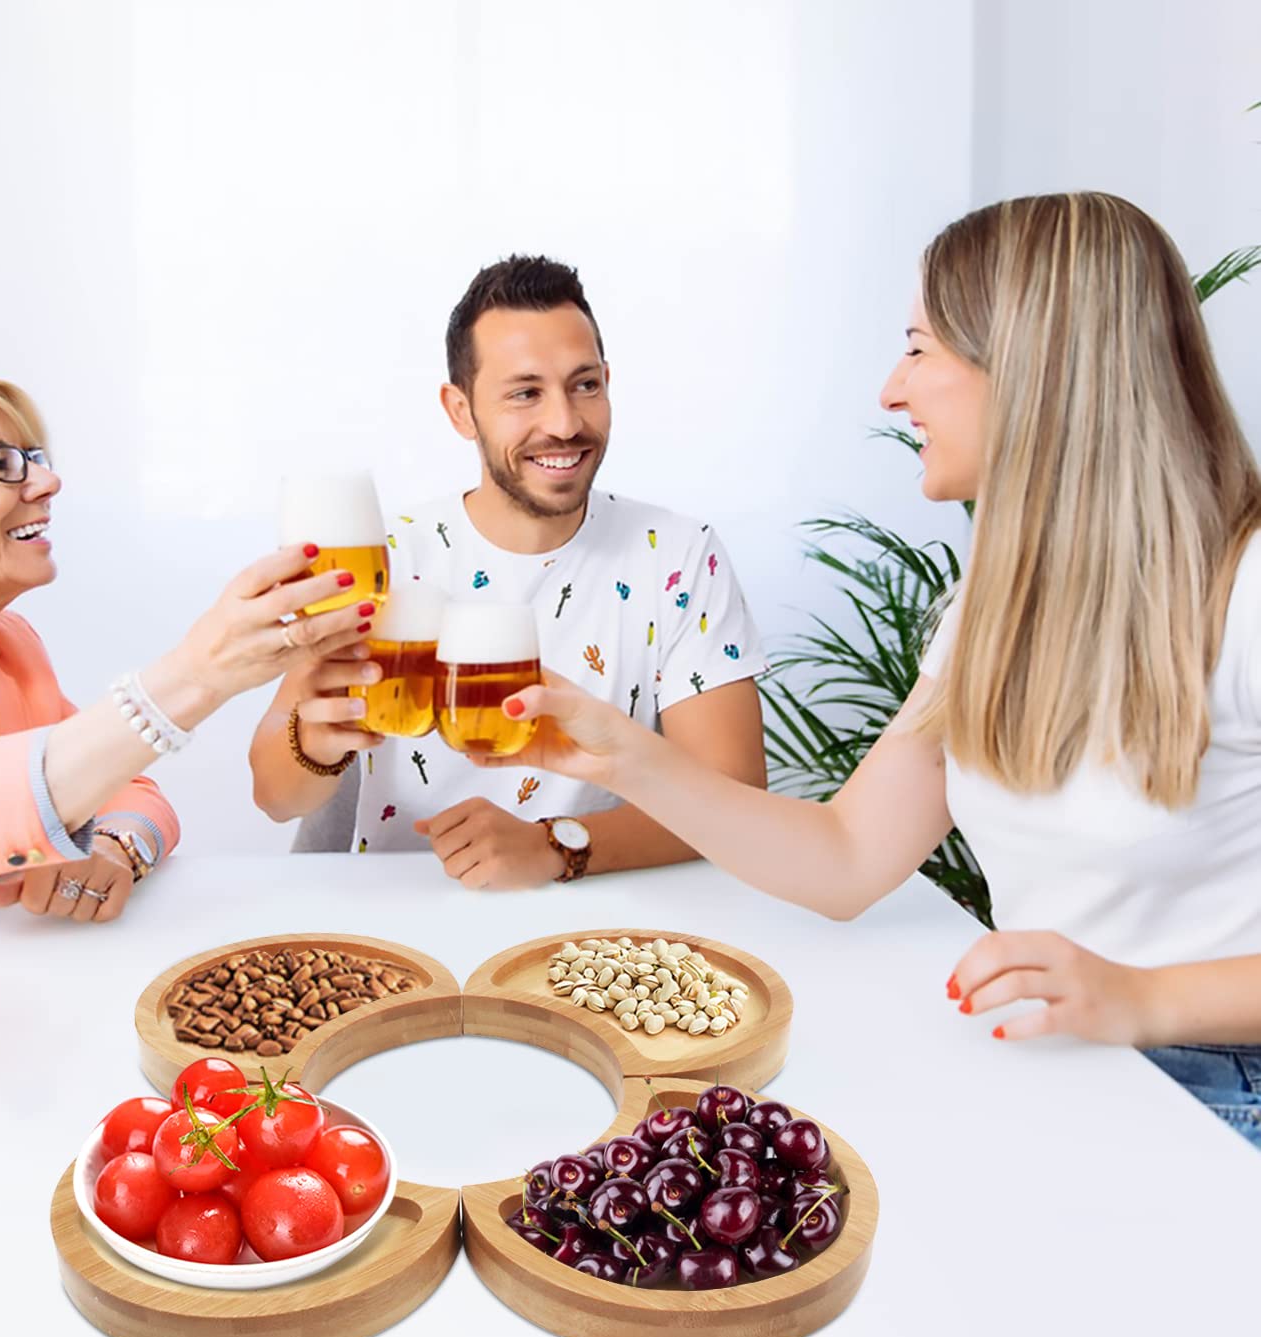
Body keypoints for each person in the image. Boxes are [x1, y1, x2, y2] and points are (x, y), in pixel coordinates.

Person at [475, 195, 1261, 1145]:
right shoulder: (998, 605)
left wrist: (1142, 999)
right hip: (1057, 1072)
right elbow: (845, 861)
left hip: (1213, 1098)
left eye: (921, 348)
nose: (893, 390)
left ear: (1030, 365)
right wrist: (624, 759)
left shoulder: (1245, 588)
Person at [0, 370, 367, 1056]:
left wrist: (115, 848)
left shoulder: (5, 648)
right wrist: (198, 672)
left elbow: (131, 790)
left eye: (35, 459)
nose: (46, 484)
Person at [248, 255, 769, 888]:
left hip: (599, 920)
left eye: (585, 385)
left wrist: (556, 847)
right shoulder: (387, 558)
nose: (565, 424)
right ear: (460, 409)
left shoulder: (680, 556)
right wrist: (314, 744)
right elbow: (276, 798)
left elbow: (736, 798)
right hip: (391, 915)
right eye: (526, 393)